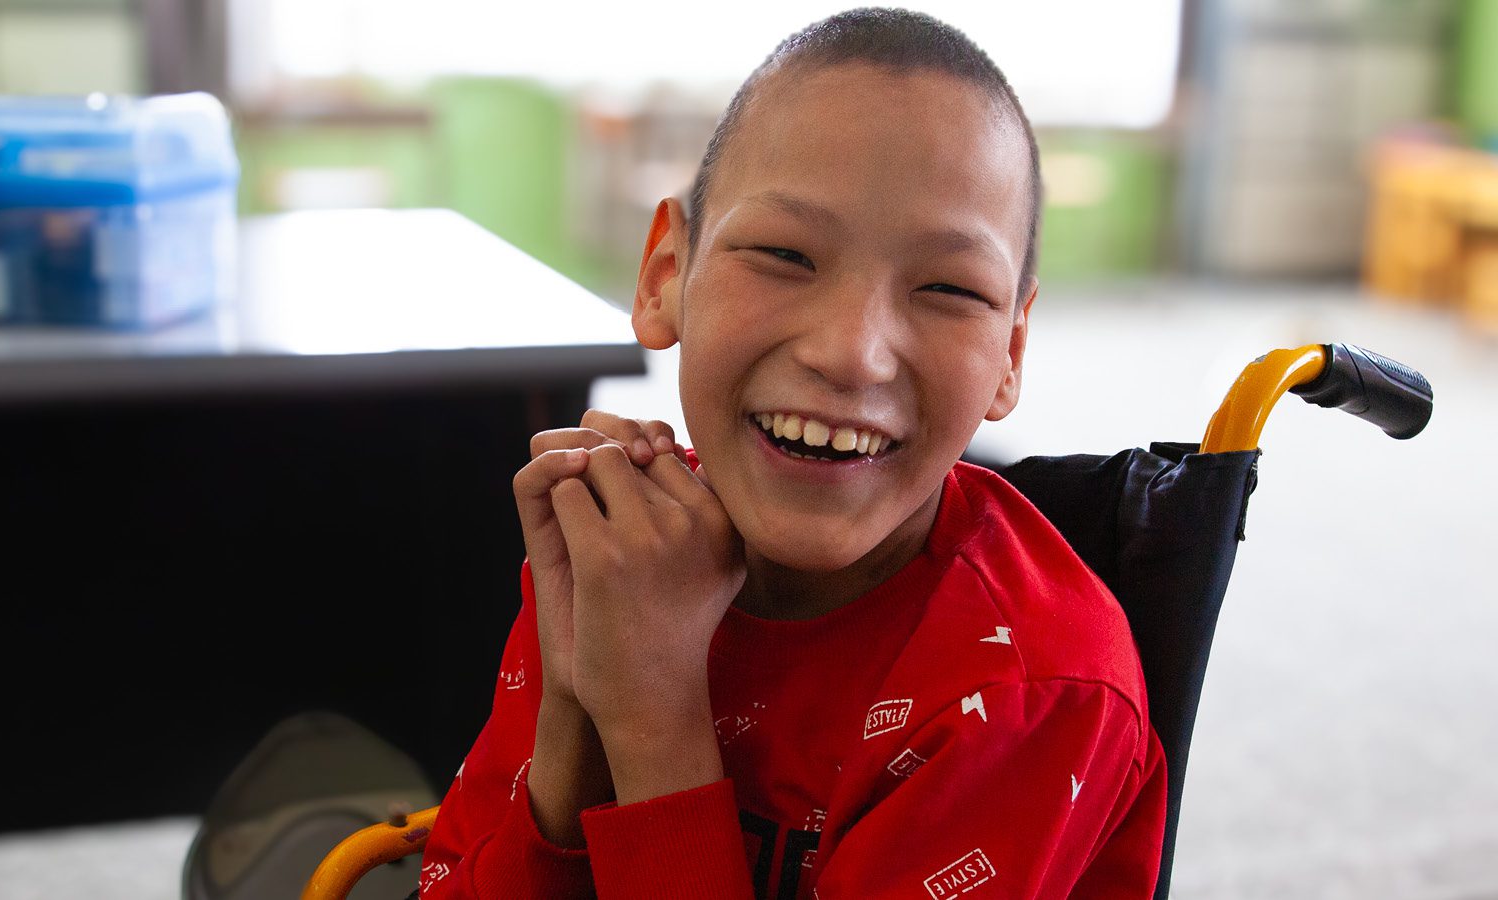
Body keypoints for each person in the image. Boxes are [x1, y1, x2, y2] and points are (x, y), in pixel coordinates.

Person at [418, 8, 1166, 898]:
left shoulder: (1029, 694)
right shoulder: (615, 560)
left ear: (1010, 352)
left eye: (948, 288)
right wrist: (579, 714)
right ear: (665, 278)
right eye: (783, 254)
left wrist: (655, 721)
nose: (852, 352)